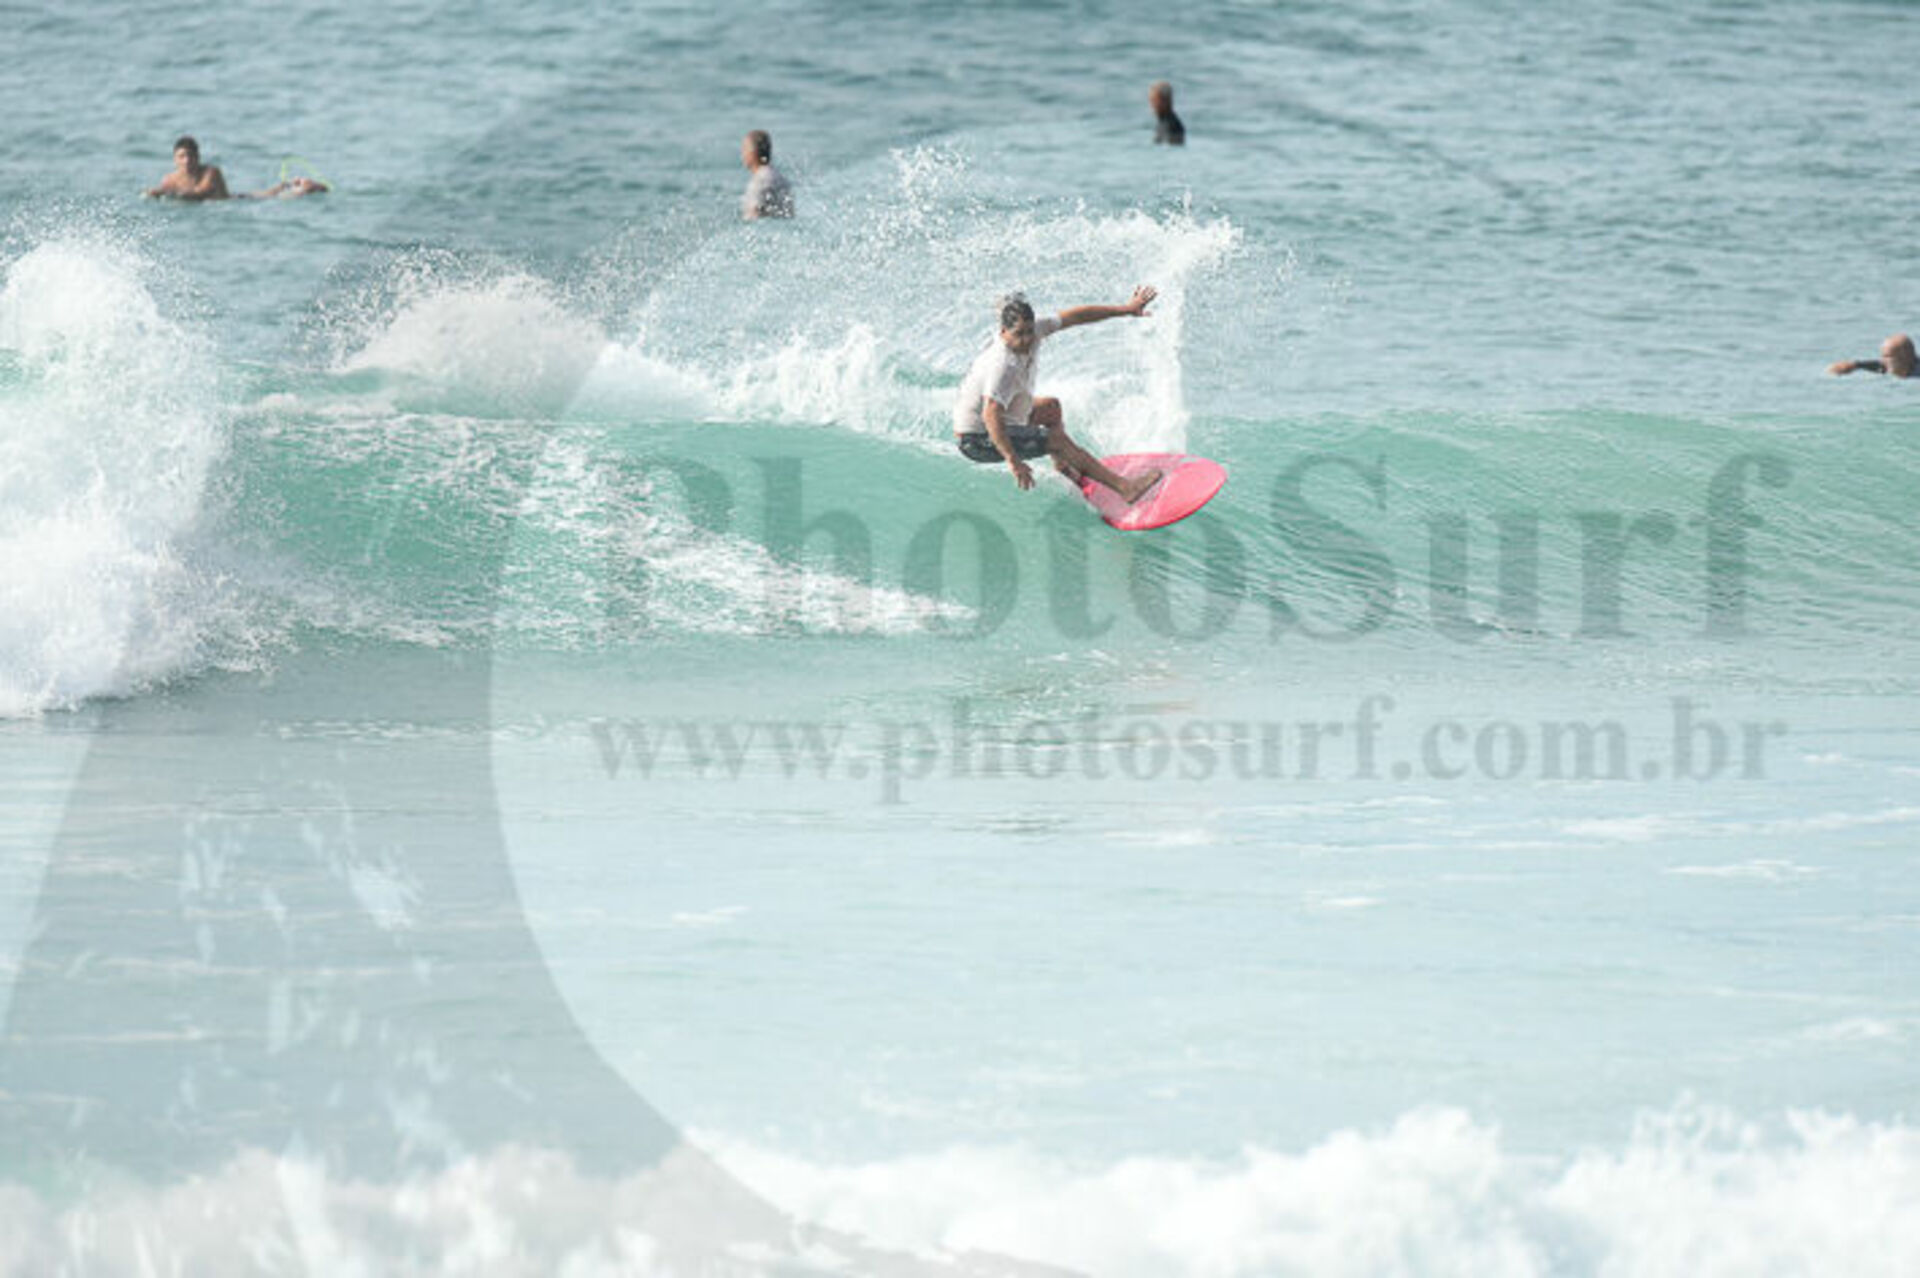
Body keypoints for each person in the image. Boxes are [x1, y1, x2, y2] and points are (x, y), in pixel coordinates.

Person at [953, 288, 1163, 504]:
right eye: (1019, 334)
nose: (1026, 340)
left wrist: (1126, 309)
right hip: (978, 439)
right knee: (1056, 440)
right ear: (1003, 331)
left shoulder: (1035, 331)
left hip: (1003, 419)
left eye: (1029, 331)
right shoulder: (1003, 365)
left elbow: (1076, 316)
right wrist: (1013, 461)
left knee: (1050, 409)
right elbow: (990, 415)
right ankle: (1126, 488)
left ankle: (1065, 467)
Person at [143, 136, 229, 201]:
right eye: (182, 156)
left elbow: (201, 193)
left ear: (198, 157)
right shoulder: (169, 180)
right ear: (175, 159)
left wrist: (167, 193)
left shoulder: (211, 173)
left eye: (191, 156)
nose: (187, 161)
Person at [740, 130, 793, 220]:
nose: (742, 155)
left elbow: (753, 214)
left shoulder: (760, 181)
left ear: (752, 152)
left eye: (744, 149)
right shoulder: (780, 177)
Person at [1829, 333, 1916, 378]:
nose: (1883, 361)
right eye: (1882, 356)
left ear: (1905, 357)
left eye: (1887, 356)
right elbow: (1876, 365)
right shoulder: (1891, 366)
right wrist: (1853, 366)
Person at [1149, 81, 1185, 146]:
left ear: (1165, 101)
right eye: (1151, 101)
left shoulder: (1170, 126)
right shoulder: (1163, 122)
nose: (1152, 105)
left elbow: (1171, 148)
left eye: (1154, 101)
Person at [245, 176, 329, 199]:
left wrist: (281, 187)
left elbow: (281, 196)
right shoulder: (296, 190)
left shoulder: (300, 192)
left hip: (259, 197)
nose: (300, 178)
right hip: (258, 196)